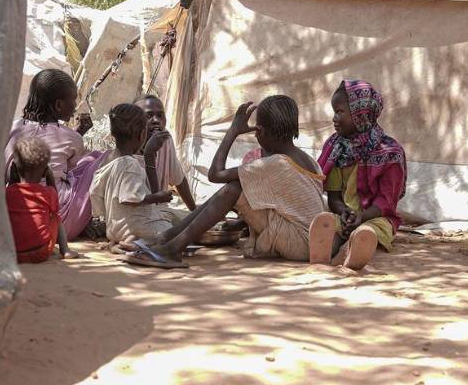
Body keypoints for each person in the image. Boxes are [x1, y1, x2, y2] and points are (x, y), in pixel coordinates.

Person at [131, 95, 326, 268]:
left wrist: (233, 131)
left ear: (261, 132)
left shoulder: (276, 163)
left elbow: (215, 174)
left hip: (301, 244)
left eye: (256, 129)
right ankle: (166, 239)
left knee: (233, 188)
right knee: (238, 186)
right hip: (311, 240)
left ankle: (171, 247)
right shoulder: (308, 161)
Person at [309, 79, 406, 270]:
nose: (334, 118)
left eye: (340, 111)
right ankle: (327, 253)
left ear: (361, 114)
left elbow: (387, 201)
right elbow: (334, 195)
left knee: (372, 231)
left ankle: (354, 250)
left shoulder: (391, 152)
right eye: (334, 112)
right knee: (332, 225)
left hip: (376, 216)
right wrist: (343, 211)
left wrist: (362, 217)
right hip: (345, 214)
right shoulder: (336, 148)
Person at [4, 69, 106, 240]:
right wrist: (79, 133)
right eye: (73, 100)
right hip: (59, 223)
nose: (75, 105)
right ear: (58, 105)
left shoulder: (13, 127)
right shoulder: (72, 137)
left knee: (90, 158)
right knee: (101, 158)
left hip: (14, 217)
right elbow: (69, 167)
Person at [89, 104, 176, 251]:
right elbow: (131, 198)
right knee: (174, 232)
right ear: (142, 135)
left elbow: (94, 193)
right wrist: (157, 197)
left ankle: (121, 242)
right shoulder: (130, 164)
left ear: (112, 133)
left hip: (114, 229)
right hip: (135, 228)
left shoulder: (106, 163)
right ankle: (138, 244)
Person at [6, 138, 77, 263]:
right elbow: (55, 206)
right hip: (41, 252)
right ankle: (65, 250)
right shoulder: (48, 193)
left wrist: (13, 176)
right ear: (45, 172)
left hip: (12, 252)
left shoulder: (6, 193)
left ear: (15, 169)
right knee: (55, 217)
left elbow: (12, 189)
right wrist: (50, 179)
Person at [134, 95, 197, 211]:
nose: (156, 121)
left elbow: (179, 179)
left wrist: (194, 210)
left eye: (160, 115)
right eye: (148, 115)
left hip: (159, 212)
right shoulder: (127, 151)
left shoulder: (165, 140)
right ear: (135, 122)